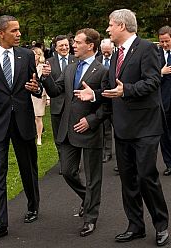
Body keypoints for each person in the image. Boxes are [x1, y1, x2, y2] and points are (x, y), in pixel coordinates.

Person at [74, 9, 169, 246]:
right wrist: (94, 94)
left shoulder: (148, 49)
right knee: (128, 180)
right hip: (123, 127)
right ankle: (135, 226)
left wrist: (126, 90)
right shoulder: (116, 54)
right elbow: (109, 87)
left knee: (147, 176)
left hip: (146, 126)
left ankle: (161, 225)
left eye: (110, 25)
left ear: (122, 26)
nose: (107, 29)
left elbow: (152, 81)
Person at [0, 15, 42, 245]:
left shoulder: (26, 55)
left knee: (28, 168)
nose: (19, 34)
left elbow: (36, 85)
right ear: (0, 33)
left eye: (19, 30)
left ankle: (33, 206)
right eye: (14, 31)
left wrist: (36, 88)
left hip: (22, 121)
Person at [41, 28, 108, 237]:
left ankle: (90, 218)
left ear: (90, 45)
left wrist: (91, 121)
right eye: (74, 42)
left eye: (78, 42)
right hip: (68, 131)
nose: (73, 45)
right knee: (68, 172)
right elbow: (55, 91)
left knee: (93, 177)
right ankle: (87, 199)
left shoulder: (103, 71)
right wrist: (45, 78)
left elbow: (107, 103)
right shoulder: (70, 68)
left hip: (90, 131)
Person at [47, 35, 76, 173]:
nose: (64, 48)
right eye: (61, 46)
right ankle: (63, 163)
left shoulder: (76, 60)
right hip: (57, 105)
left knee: (73, 134)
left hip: (74, 104)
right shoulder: (49, 63)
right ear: (55, 48)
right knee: (58, 136)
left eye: (66, 45)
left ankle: (73, 163)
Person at [97, 39, 114, 164]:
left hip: (116, 99)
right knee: (105, 128)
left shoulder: (118, 60)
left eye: (108, 52)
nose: (106, 54)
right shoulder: (97, 61)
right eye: (104, 52)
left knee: (119, 129)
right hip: (103, 99)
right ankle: (107, 152)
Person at [158, 26, 171, 176]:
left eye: (167, 41)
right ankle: (169, 163)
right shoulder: (156, 54)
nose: (165, 44)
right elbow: (149, 74)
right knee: (165, 135)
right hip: (162, 102)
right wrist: (160, 72)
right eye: (162, 42)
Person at [31, 47, 48, 145]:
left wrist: (48, 98)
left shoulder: (43, 67)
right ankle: (33, 134)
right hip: (29, 94)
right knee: (31, 116)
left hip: (40, 95)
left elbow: (46, 83)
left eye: (35, 54)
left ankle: (39, 138)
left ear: (39, 55)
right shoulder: (28, 66)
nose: (34, 56)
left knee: (38, 117)